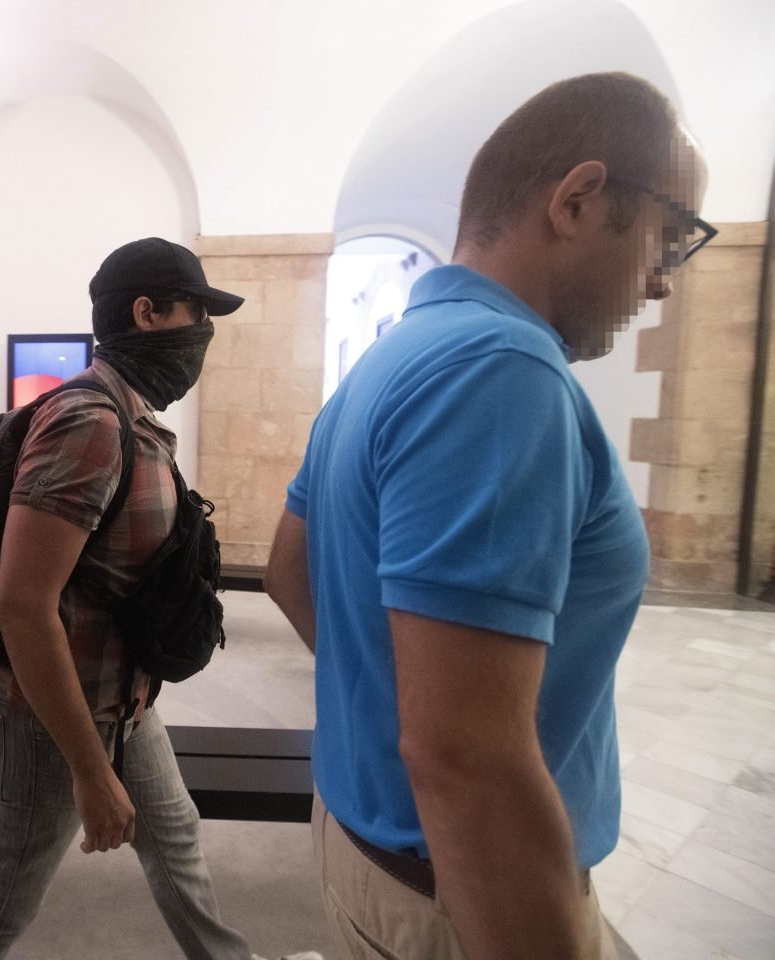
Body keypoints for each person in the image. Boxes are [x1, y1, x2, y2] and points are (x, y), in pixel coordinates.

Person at [264, 72, 711, 960]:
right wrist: (431, 731)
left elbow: (287, 570)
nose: (663, 282)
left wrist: (401, 706)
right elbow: (466, 759)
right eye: (670, 236)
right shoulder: (499, 372)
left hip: (378, 847)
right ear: (578, 199)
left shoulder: (392, 356)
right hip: (462, 888)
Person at [0, 237, 321, 960]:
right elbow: (23, 607)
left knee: (172, 834)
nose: (204, 331)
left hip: (122, 700)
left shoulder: (130, 416)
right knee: (2, 896)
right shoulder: (91, 423)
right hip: (54, 720)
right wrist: (89, 770)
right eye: (196, 311)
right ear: (147, 314)